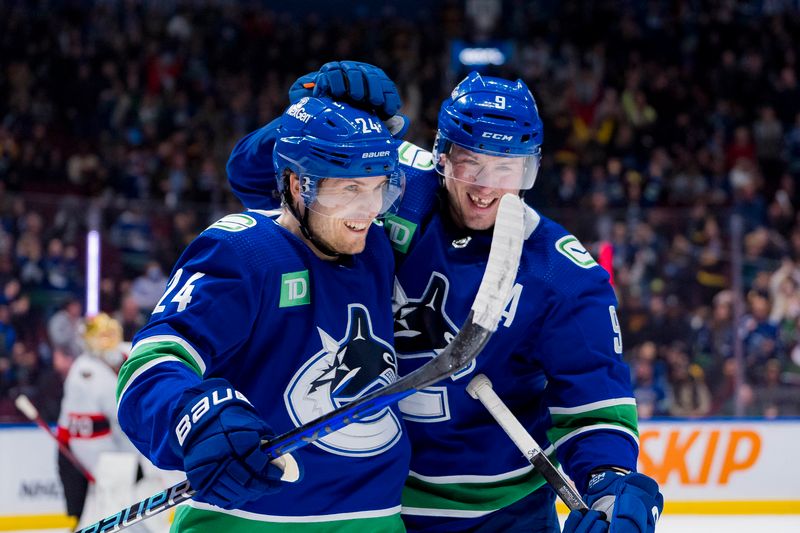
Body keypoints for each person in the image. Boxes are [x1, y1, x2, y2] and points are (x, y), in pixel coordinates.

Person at [227, 61, 663, 532]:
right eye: (470, 161)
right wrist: (305, 121)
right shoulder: (392, 185)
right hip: (372, 503)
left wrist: (609, 482)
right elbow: (255, 181)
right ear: (440, 155)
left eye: (505, 167)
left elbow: (594, 407)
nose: (485, 186)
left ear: (529, 169)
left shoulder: (563, 276)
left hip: (501, 515)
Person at [116, 96, 411, 531]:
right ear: (298, 186)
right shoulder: (244, 250)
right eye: (349, 188)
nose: (369, 210)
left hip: (375, 520)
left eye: (378, 187)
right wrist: (198, 418)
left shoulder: (375, 248)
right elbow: (151, 365)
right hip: (250, 521)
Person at [56, 313, 134, 525]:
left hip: (128, 450)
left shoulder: (130, 352)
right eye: (101, 335)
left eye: (110, 334)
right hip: (101, 453)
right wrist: (102, 467)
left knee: (134, 509)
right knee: (109, 508)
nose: (106, 340)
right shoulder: (84, 371)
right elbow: (89, 432)